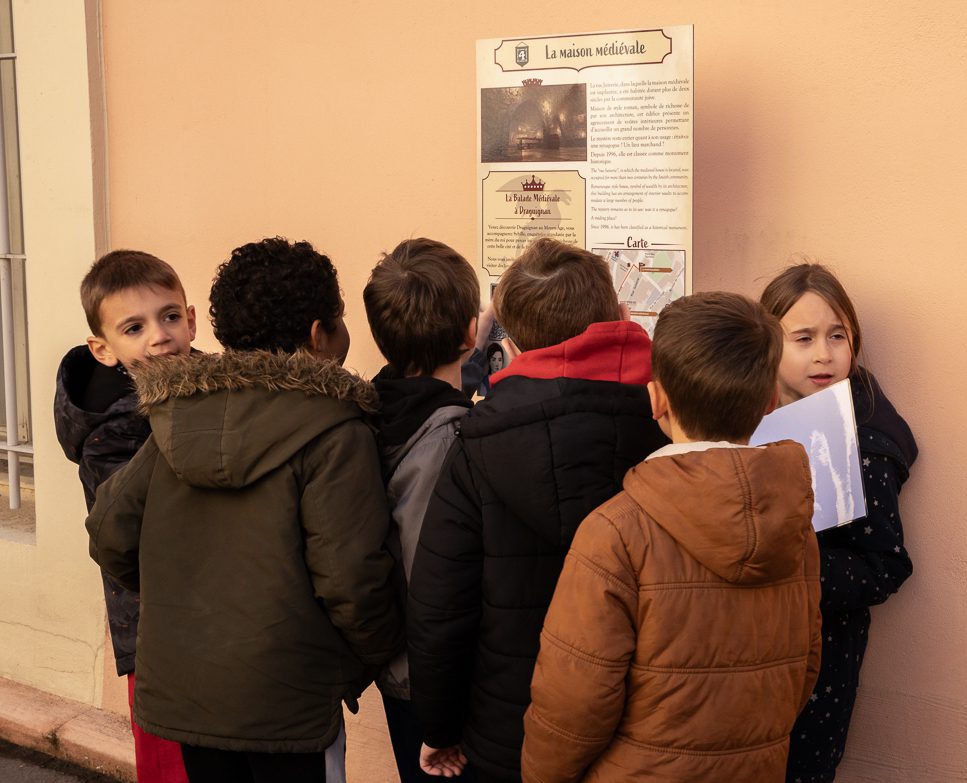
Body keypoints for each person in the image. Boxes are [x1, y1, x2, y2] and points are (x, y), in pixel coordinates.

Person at [86, 237, 403, 783]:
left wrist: (178, 597)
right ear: (319, 335)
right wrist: (366, 660)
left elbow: (111, 534)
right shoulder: (335, 428)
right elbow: (351, 578)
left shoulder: (173, 415)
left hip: (188, 698)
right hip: (291, 698)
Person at [521, 291, 823, 782]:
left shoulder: (615, 533)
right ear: (769, 401)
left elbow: (573, 699)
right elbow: (804, 669)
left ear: (656, 397)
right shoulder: (796, 525)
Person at [407, 238, 669, 781]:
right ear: (621, 316)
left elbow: (441, 607)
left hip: (512, 731)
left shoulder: (478, 442)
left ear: (516, 342)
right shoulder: (669, 421)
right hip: (645, 727)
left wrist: (437, 727)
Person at [760, 263, 916, 782]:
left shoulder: (864, 443)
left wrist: (789, 563)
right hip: (742, 653)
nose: (824, 354)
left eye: (837, 336)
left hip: (817, 663)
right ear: (766, 342)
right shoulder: (744, 413)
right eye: (803, 338)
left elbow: (885, 566)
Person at [54, 249, 195, 783]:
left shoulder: (197, 391)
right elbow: (128, 542)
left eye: (170, 316)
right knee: (169, 766)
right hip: (155, 631)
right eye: (134, 328)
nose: (159, 336)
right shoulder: (111, 436)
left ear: (192, 318)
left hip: (204, 627)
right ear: (103, 349)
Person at [362, 237, 481, 782]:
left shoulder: (374, 407)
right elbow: (432, 576)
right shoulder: (450, 439)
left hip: (399, 667)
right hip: (432, 682)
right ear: (470, 335)